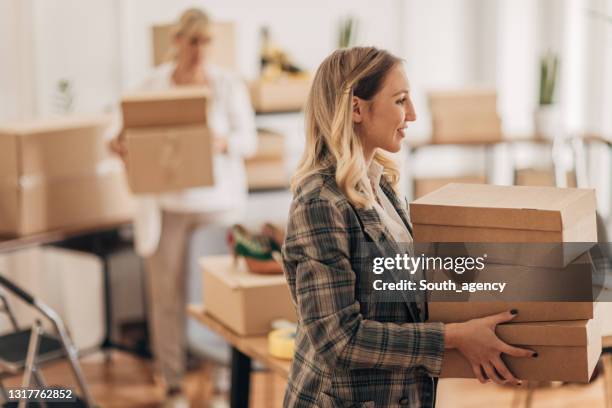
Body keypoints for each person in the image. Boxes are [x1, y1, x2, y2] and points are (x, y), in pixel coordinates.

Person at [281, 47, 536, 407]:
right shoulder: (319, 203)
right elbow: (339, 341)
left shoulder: (381, 186)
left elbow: (401, 291)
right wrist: (454, 336)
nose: (412, 115)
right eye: (400, 100)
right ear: (356, 109)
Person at [110, 8, 256, 407]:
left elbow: (250, 140)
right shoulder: (151, 84)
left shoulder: (227, 85)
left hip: (217, 206)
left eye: (206, 41)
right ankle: (172, 384)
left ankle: (225, 380)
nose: (200, 50)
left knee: (220, 295)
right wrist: (122, 146)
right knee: (166, 296)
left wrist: (217, 143)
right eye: (193, 41)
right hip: (167, 207)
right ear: (177, 42)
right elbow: (117, 132)